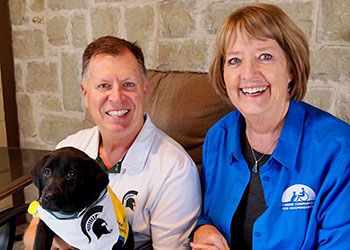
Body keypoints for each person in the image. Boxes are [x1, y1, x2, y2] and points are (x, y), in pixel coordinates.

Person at [191, 3, 350, 250]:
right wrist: (203, 229)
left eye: (265, 56)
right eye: (234, 60)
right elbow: (201, 213)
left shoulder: (339, 150)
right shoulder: (217, 139)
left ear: (291, 69)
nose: (248, 73)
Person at [24, 36, 201, 250]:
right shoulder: (69, 148)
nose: (116, 97)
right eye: (104, 85)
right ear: (85, 93)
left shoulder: (175, 170)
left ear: (145, 88)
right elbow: (33, 232)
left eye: (128, 84)